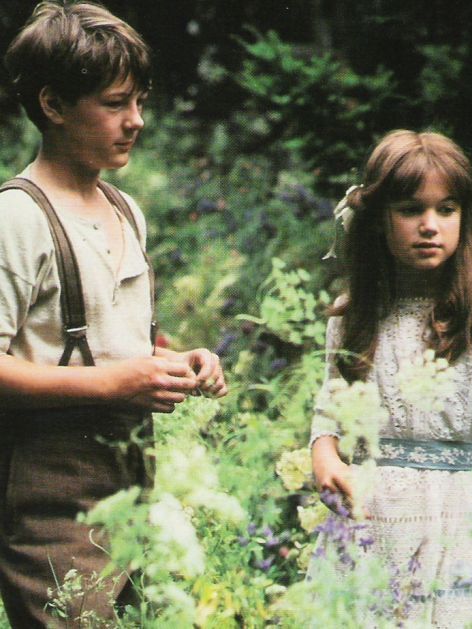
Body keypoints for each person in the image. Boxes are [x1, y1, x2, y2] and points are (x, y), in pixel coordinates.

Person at [0, 2, 227, 626]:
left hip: (133, 477)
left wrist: (177, 362)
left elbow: (113, 338)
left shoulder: (124, 208)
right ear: (52, 104)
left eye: (140, 102)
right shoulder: (18, 218)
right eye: (115, 103)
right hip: (50, 490)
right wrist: (116, 382)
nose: (137, 121)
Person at [310, 130, 472, 627]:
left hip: (456, 515)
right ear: (377, 220)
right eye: (411, 209)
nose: (429, 226)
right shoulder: (352, 315)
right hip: (371, 516)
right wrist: (325, 452)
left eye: (447, 209)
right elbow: (331, 402)